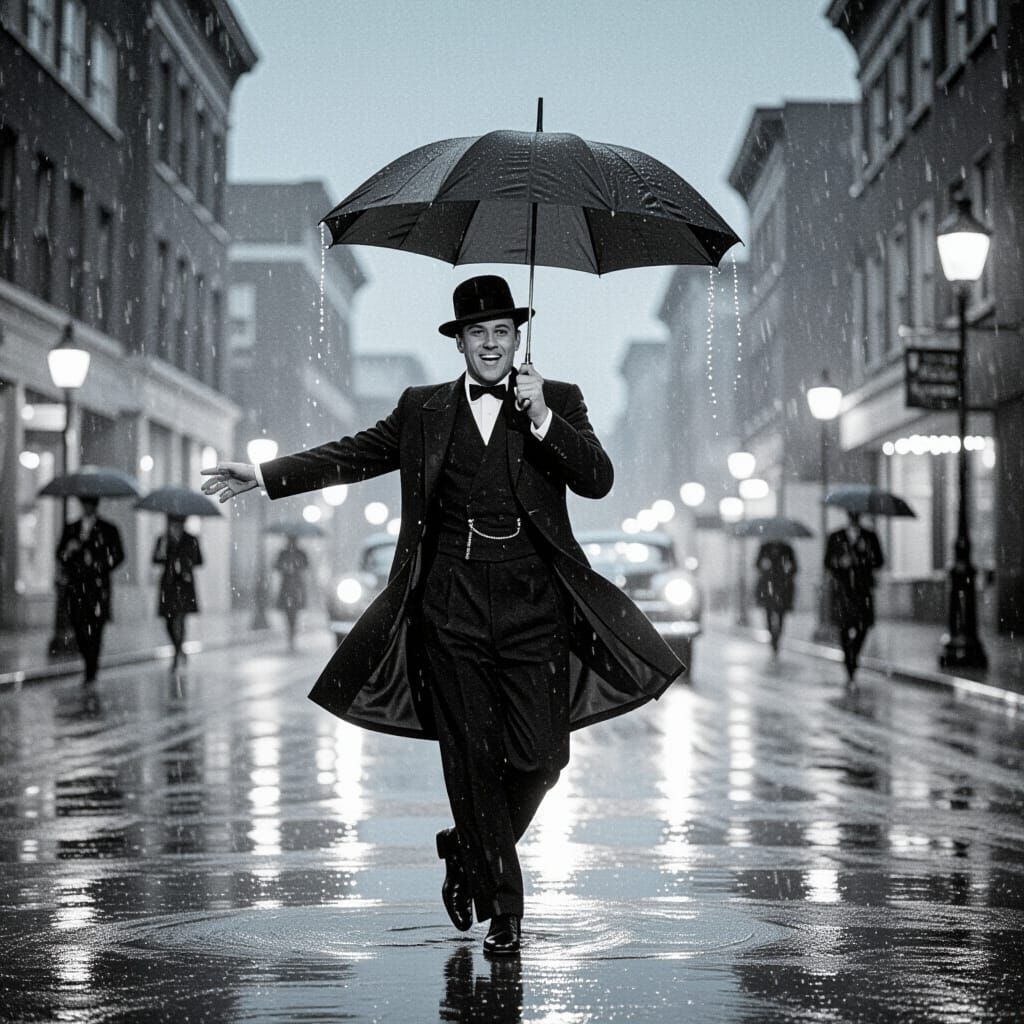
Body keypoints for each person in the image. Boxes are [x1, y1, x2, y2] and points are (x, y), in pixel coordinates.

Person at [201, 274, 683, 956]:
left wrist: (542, 418)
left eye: (502, 332)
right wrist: (267, 473)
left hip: (535, 607)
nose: (490, 344)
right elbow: (354, 454)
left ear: (518, 339)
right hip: (449, 608)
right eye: (477, 333)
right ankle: (506, 911)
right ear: (459, 342)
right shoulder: (422, 410)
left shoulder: (557, 400)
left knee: (544, 756)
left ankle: (467, 849)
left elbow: (596, 478)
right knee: (472, 760)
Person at [56, 496, 125, 684]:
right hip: (77, 587)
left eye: (89, 505)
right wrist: (69, 552)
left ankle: (91, 668)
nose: (86, 508)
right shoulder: (72, 528)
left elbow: (118, 555)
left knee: (96, 628)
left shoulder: (108, 529)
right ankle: (89, 662)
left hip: (98, 588)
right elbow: (60, 554)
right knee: (79, 627)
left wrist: (99, 564)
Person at [824, 510, 884, 683]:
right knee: (843, 626)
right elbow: (827, 561)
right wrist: (840, 562)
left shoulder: (870, 536)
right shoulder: (836, 536)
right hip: (842, 590)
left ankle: (854, 655)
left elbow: (879, 560)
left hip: (862, 589)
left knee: (863, 626)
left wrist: (864, 559)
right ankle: (848, 661)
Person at [153, 514, 203, 670]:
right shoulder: (163, 539)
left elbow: (199, 560)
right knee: (168, 621)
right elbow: (155, 560)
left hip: (184, 585)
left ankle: (176, 655)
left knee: (180, 620)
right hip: (168, 585)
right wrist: (162, 551)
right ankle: (179, 649)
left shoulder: (190, 539)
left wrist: (185, 561)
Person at [754, 540, 798, 654]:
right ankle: (772, 636)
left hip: (782, 587)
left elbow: (795, 567)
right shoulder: (764, 547)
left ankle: (777, 638)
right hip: (768, 586)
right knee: (768, 614)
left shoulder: (787, 548)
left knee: (781, 615)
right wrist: (764, 566)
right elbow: (757, 564)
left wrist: (787, 571)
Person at [275, 536, 310, 650]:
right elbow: (276, 566)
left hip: (296, 587)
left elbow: (306, 566)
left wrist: (295, 566)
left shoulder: (300, 553)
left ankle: (292, 634)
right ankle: (290, 634)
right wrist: (285, 567)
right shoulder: (283, 553)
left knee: (294, 613)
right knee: (287, 612)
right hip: (286, 586)